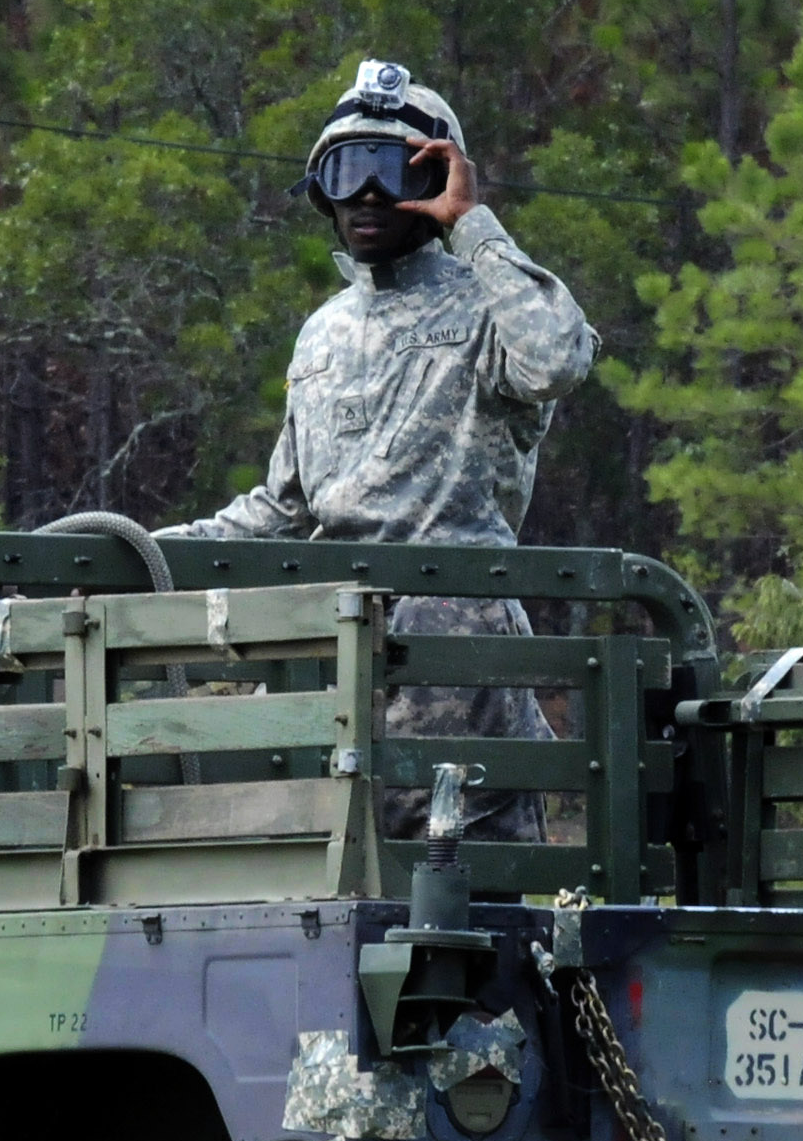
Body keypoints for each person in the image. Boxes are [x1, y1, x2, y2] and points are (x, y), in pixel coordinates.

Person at [164, 60, 597, 838]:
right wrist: (136, 555)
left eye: (394, 170)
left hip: (453, 653)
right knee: (316, 882)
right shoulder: (323, 331)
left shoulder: (488, 303)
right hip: (335, 647)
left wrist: (474, 225)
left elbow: (559, 358)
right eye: (345, 169)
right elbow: (281, 510)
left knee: (460, 888)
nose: (366, 193)